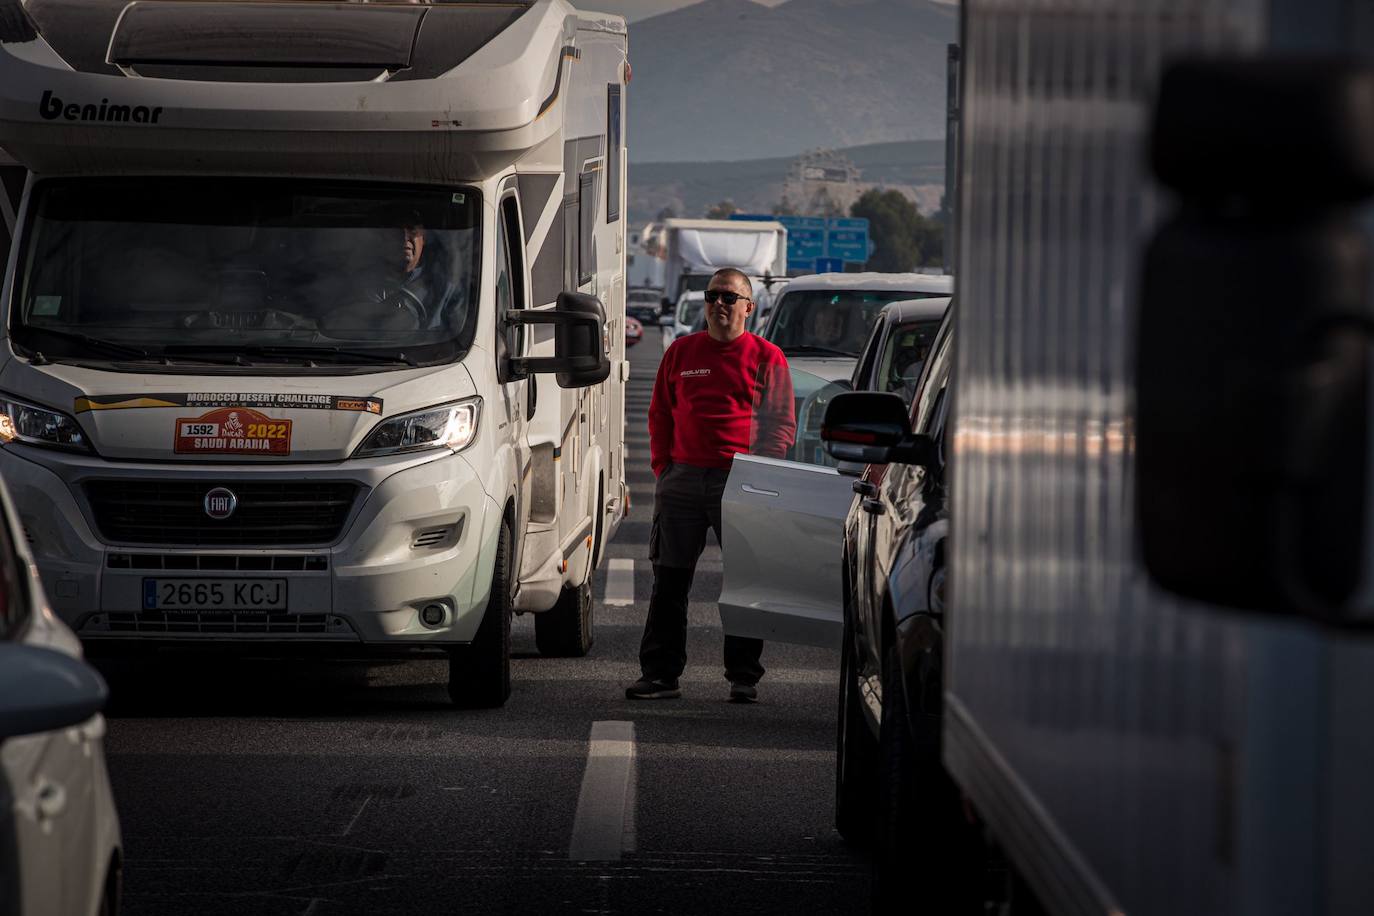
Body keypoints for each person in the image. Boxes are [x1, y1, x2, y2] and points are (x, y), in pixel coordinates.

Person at [626, 267, 796, 703]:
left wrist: (760, 475)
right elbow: (660, 413)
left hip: (741, 483)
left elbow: (780, 424)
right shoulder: (681, 353)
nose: (719, 304)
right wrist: (664, 468)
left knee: (743, 583)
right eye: (712, 296)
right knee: (669, 582)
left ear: (748, 307)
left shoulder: (767, 357)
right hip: (682, 481)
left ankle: (743, 676)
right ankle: (661, 675)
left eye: (729, 297)